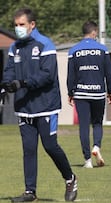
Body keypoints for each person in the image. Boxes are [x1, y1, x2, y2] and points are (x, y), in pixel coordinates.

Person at [1, 8, 77, 202]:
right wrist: (8, 82)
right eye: (16, 25)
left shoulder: (45, 44)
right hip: (24, 106)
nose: (18, 28)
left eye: (21, 25)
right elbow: (9, 69)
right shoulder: (15, 47)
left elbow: (47, 75)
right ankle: (30, 192)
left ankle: (70, 179)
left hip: (46, 105)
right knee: (28, 149)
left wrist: (24, 83)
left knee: (50, 146)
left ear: (32, 25)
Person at [67, 21, 111, 168]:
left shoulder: (74, 50)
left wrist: (70, 92)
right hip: (98, 93)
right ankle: (96, 146)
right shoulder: (102, 49)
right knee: (97, 123)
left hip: (81, 93)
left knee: (83, 126)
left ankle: (87, 160)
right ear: (94, 32)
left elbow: (71, 75)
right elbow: (109, 73)